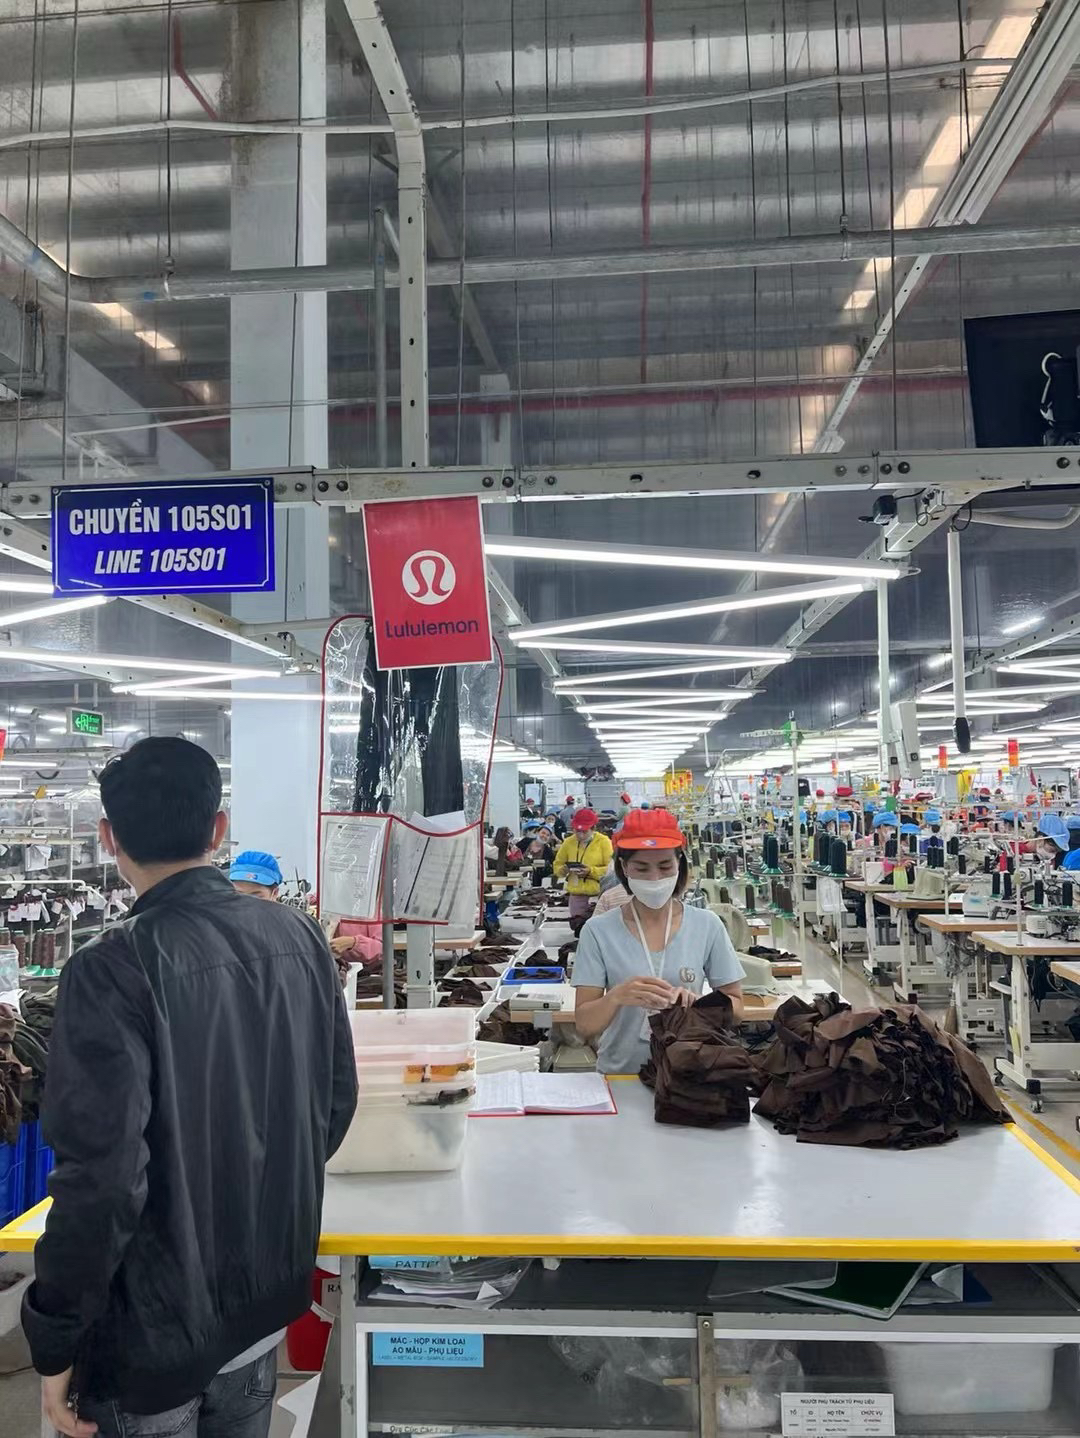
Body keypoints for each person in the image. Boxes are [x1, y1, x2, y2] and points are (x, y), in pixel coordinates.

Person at [23, 737, 358, 1438]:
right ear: (218, 829)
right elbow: (332, 1106)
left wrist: (55, 1334)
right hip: (261, 1308)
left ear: (109, 837)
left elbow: (103, 1179)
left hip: (151, 1334)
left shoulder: (111, 967)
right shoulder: (298, 936)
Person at [572, 808, 744, 1074]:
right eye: (641, 868)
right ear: (624, 868)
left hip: (686, 1077)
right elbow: (584, 1025)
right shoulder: (597, 931)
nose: (654, 878)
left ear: (679, 864)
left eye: (665, 867)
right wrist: (617, 996)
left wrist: (700, 1004)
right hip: (621, 1076)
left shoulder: (707, 925)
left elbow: (738, 1008)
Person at [553, 807, 613, 925]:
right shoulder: (568, 842)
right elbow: (557, 865)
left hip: (598, 895)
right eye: (577, 831)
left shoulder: (604, 842)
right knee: (578, 927)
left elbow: (611, 871)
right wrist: (563, 870)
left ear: (593, 828)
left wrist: (591, 871)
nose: (580, 835)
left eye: (584, 831)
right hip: (576, 895)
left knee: (598, 928)